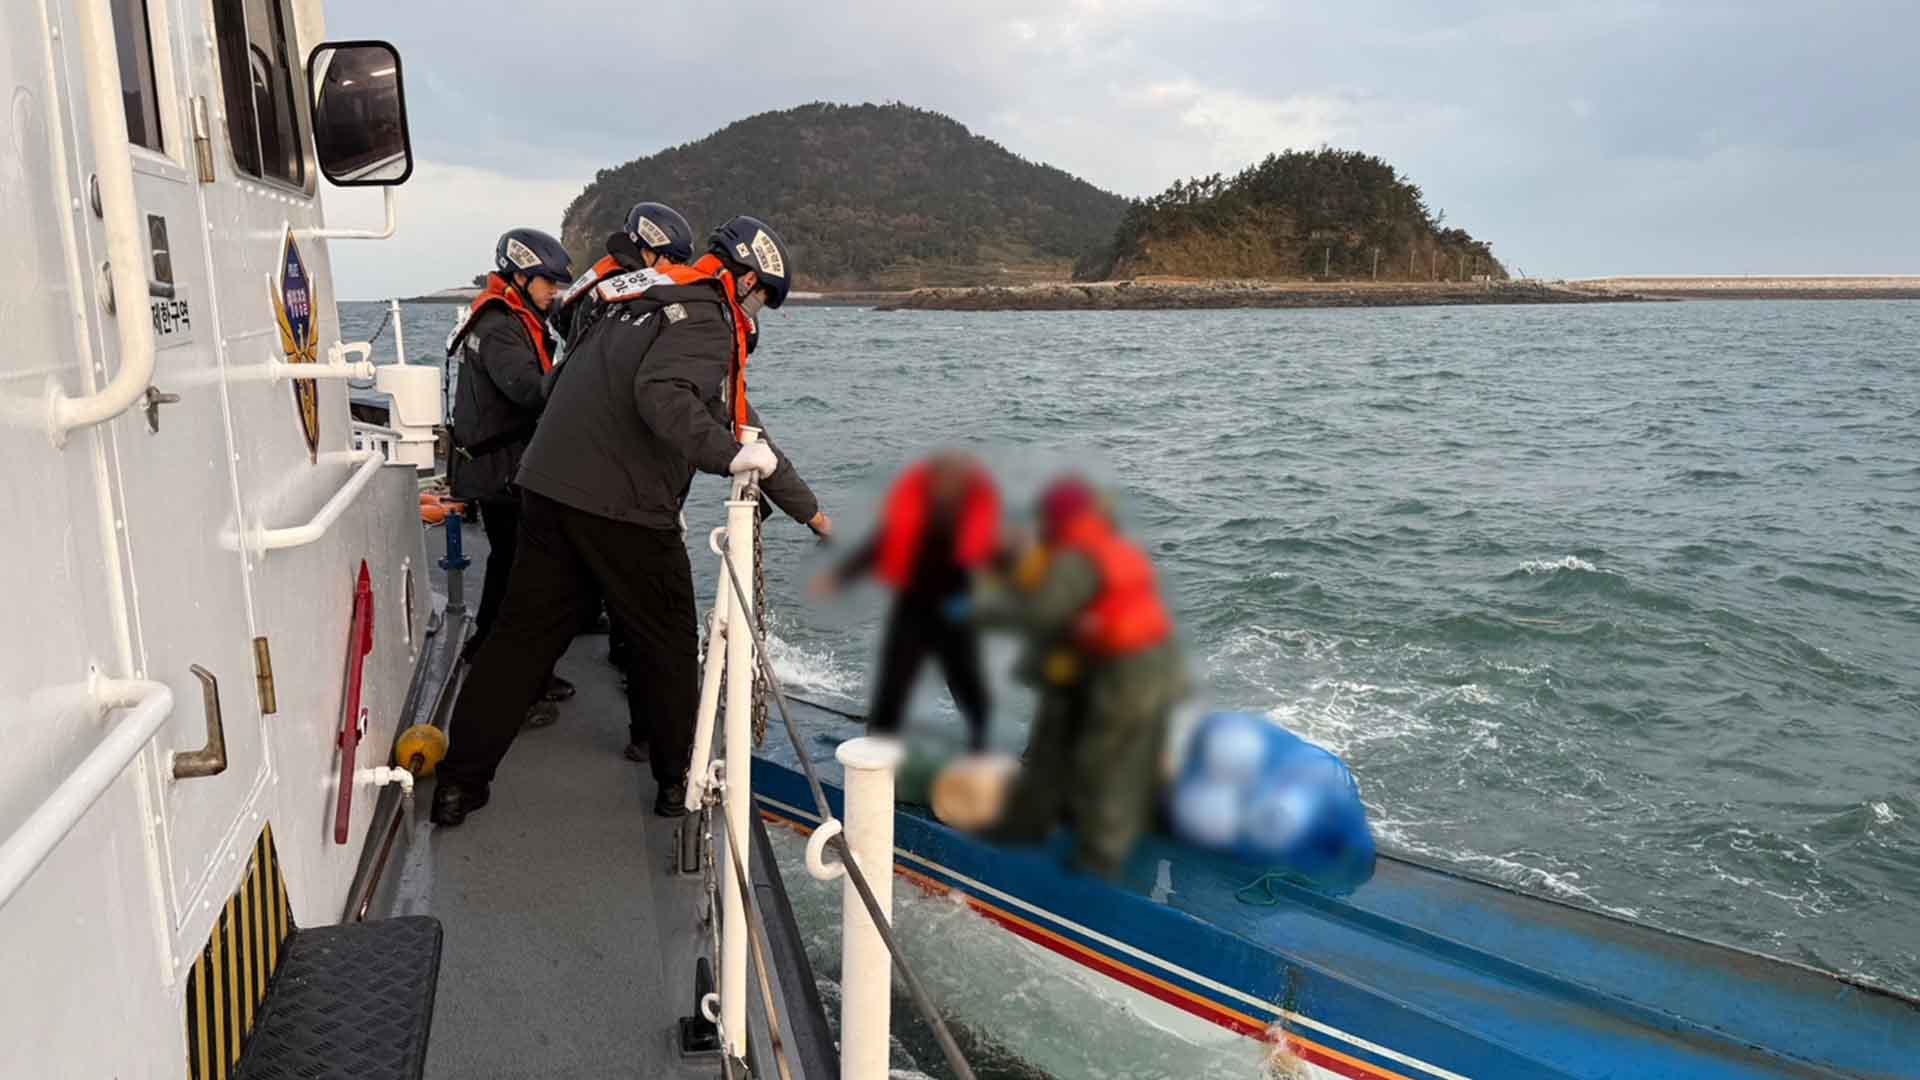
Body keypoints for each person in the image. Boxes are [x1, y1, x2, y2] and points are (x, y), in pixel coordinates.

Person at [431, 216, 830, 826]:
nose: (759, 312)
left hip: (546, 487)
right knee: (665, 644)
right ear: (746, 278)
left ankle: (459, 785)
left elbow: (573, 382)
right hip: (626, 508)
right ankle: (677, 786)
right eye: (764, 299)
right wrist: (730, 456)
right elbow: (666, 397)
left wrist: (810, 511)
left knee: (518, 642)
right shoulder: (705, 317)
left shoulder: (631, 297)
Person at [966, 476, 1186, 877]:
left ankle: (1098, 861)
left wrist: (977, 612)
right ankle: (1153, 819)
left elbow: (1042, 613)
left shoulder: (1074, 557)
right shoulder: (1113, 547)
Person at [545, 202, 696, 701]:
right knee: (644, 606)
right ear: (651, 251)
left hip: (568, 455)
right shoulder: (629, 298)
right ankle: (645, 711)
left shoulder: (598, 287)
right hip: (619, 473)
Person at [445, 228, 576, 714]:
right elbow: (527, 389)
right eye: (547, 284)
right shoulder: (500, 327)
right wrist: (583, 358)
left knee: (507, 562)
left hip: (493, 465)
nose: (554, 293)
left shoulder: (504, 317)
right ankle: (517, 678)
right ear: (520, 277)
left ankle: (485, 649)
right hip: (499, 469)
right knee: (526, 571)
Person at [812, 452, 999, 750]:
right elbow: (878, 547)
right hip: (915, 609)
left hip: (953, 610)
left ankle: (981, 743)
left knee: (964, 680)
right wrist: (839, 578)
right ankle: (879, 748)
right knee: (896, 680)